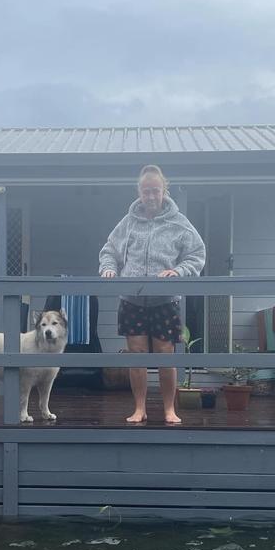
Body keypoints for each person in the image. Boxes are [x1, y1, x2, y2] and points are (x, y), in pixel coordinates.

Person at [99, 164, 206, 424]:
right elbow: (109, 251)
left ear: (163, 191)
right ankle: (140, 408)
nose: (150, 196)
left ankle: (170, 409)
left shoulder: (179, 223)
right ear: (139, 191)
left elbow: (197, 254)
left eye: (155, 191)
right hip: (131, 299)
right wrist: (109, 269)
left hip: (165, 300)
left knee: (165, 354)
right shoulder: (128, 223)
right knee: (136, 355)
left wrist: (179, 272)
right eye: (146, 191)